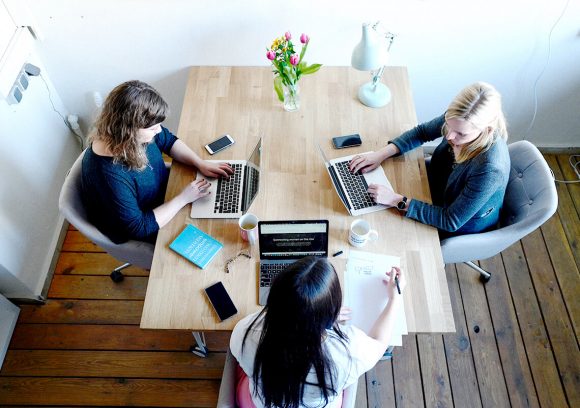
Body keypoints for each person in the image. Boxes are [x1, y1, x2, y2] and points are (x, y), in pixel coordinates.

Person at [230, 256, 405, 408]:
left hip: (259, 402)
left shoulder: (245, 330)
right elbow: (379, 342)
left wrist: (307, 315)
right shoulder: (349, 352)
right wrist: (394, 298)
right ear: (332, 312)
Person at [349, 82, 510, 237]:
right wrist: (380, 154)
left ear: (487, 130)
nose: (449, 136)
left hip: (455, 223)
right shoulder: (459, 117)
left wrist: (395, 199)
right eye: (449, 125)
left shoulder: (489, 169)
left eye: (461, 134)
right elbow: (422, 133)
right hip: (435, 187)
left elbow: (450, 220)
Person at [81, 80, 233, 244]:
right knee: (216, 232)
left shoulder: (131, 136)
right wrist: (183, 199)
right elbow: (138, 227)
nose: (158, 130)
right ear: (128, 130)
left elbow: (168, 141)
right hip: (148, 222)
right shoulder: (108, 176)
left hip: (166, 194)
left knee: (220, 210)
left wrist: (199, 163)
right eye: (153, 128)